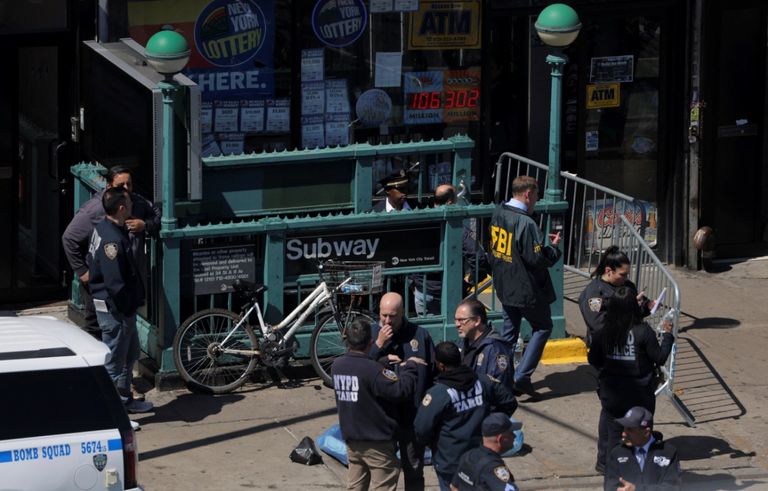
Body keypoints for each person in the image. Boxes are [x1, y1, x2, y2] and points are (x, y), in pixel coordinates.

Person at [62, 165, 160, 339]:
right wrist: (83, 272)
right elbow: (69, 238)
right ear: (109, 187)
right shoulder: (94, 210)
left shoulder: (137, 202)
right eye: (121, 185)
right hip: (100, 283)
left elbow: (158, 216)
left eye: (129, 184)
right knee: (97, 328)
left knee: (124, 330)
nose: (126, 189)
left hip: (126, 279)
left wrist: (145, 225)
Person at [488, 175, 562, 397]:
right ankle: (521, 376)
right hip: (526, 288)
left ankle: (501, 376)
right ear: (528, 194)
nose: (538, 199)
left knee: (509, 334)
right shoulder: (526, 223)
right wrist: (553, 249)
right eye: (537, 194)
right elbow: (537, 258)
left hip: (505, 284)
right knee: (543, 326)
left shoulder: (499, 212)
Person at [332, 318, 426, 491]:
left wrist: (381, 360)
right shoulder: (373, 370)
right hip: (377, 444)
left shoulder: (337, 366)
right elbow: (401, 390)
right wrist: (411, 366)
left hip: (352, 441)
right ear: (370, 342)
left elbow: (359, 370)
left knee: (355, 486)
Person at [588, 287, 674, 474]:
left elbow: (593, 359)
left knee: (612, 431)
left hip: (612, 393)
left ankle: (607, 465)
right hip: (639, 394)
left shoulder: (602, 331)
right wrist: (668, 336)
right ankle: (633, 470)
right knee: (639, 434)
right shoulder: (643, 331)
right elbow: (659, 357)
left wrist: (608, 371)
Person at [414, 342, 518, 491]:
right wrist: (490, 424)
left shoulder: (437, 394)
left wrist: (436, 443)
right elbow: (509, 402)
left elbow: (421, 429)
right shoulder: (484, 381)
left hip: (450, 462)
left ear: (441, 365)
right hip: (480, 459)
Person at [87, 187, 153, 414]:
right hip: (116, 310)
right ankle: (111, 414)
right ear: (122, 208)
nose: (133, 205)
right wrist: (126, 308)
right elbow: (115, 282)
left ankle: (125, 402)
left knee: (129, 355)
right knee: (114, 362)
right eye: (129, 203)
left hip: (121, 309)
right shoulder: (111, 240)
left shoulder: (104, 228)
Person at [369, 292, 435, 490]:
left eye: (392, 316)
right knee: (384, 475)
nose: (387, 321)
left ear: (402, 312)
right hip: (383, 417)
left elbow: (433, 374)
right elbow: (360, 367)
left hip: (411, 416)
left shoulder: (420, 335)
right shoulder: (372, 334)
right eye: (384, 315)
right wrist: (379, 345)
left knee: (414, 469)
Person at [411, 184, 491, 316]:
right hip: (452, 292)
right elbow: (478, 257)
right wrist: (472, 280)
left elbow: (408, 254)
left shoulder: (421, 224)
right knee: (458, 326)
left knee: (428, 328)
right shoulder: (458, 229)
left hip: (424, 291)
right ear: (449, 202)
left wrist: (413, 282)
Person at [579, 246, 654, 346]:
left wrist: (648, 306)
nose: (626, 278)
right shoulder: (594, 292)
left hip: (629, 343)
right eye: (622, 274)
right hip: (606, 346)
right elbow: (598, 324)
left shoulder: (628, 286)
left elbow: (637, 312)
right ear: (608, 271)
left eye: (627, 274)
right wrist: (626, 307)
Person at [604, 406, 681, 490]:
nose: (624, 434)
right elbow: (610, 485)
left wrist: (637, 489)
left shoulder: (668, 453)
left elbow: (672, 487)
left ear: (646, 432)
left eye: (630, 430)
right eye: (624, 428)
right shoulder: (617, 453)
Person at [450, 412, 521, 491]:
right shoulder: (493, 468)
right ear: (501, 439)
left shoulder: (468, 455)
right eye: (511, 433)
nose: (514, 436)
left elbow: (454, 487)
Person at [456, 299, 514, 390]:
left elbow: (499, 388)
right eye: (456, 320)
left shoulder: (495, 349)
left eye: (461, 320)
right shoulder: (463, 343)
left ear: (477, 321)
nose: (457, 324)